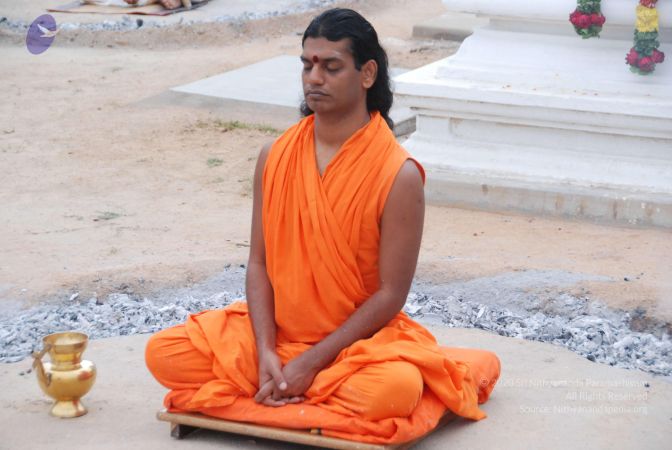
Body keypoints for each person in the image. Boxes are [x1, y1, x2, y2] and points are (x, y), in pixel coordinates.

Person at [145, 8, 501, 444]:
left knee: (393, 390)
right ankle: (288, 386)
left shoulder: (398, 174)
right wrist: (266, 351)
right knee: (164, 353)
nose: (314, 78)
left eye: (331, 67)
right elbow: (258, 263)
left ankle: (279, 391)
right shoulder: (274, 155)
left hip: (354, 348)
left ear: (367, 73)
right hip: (277, 336)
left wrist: (312, 362)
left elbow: (391, 294)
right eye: (307, 65)